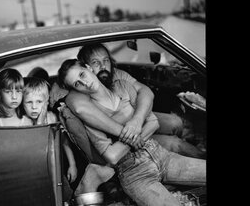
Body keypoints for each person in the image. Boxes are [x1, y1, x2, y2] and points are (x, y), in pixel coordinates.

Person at [57, 59, 206, 206]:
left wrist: (135, 124)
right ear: (75, 90)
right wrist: (136, 135)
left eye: (82, 74)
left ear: (89, 68)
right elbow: (112, 156)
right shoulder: (90, 116)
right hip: (134, 173)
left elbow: (154, 123)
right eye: (77, 84)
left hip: (160, 154)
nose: (85, 83)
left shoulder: (122, 86)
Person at [51, 43, 205, 159]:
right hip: (122, 140)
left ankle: (183, 151)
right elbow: (79, 108)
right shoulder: (79, 89)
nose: (103, 66)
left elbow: (145, 91)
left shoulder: (116, 74)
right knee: (174, 144)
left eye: (106, 60)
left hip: (136, 121)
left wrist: (137, 121)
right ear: (87, 66)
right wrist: (129, 134)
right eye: (96, 63)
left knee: (175, 123)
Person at [21, 77, 78, 186]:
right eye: (29, 102)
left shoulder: (53, 118)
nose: (34, 107)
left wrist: (72, 164)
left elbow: (64, 141)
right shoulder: (23, 122)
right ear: (22, 104)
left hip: (55, 168)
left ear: (47, 102)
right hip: (34, 171)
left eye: (39, 102)